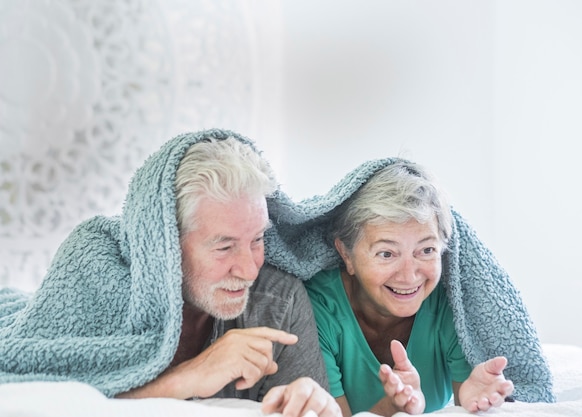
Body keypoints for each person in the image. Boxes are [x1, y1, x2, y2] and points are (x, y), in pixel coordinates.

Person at [0, 130, 340, 417]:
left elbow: (310, 404)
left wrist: (315, 400)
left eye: (256, 239)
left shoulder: (278, 301)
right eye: (224, 247)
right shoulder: (92, 267)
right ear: (165, 243)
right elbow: (36, 392)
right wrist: (188, 378)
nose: (249, 268)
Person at [303, 162, 514, 416]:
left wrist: (471, 405)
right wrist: (394, 408)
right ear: (346, 255)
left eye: (426, 250)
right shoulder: (317, 309)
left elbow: (466, 400)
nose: (409, 275)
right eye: (387, 253)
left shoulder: (452, 304)